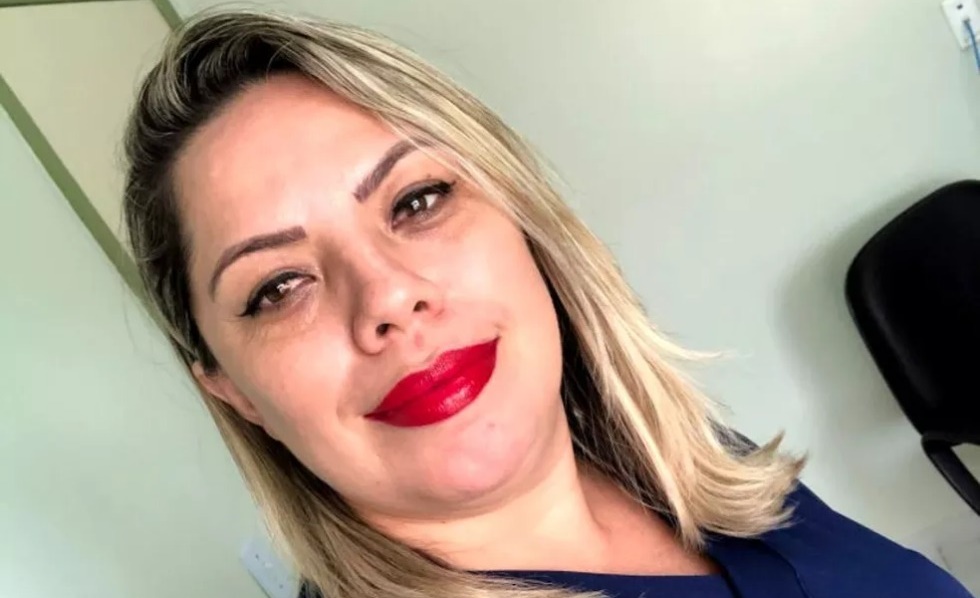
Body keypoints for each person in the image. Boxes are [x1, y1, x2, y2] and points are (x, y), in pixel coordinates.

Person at [121, 10, 972, 598]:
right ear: (231, 390)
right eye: (278, 287)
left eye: (416, 201)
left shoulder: (685, 457)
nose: (388, 296)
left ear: (522, 217)